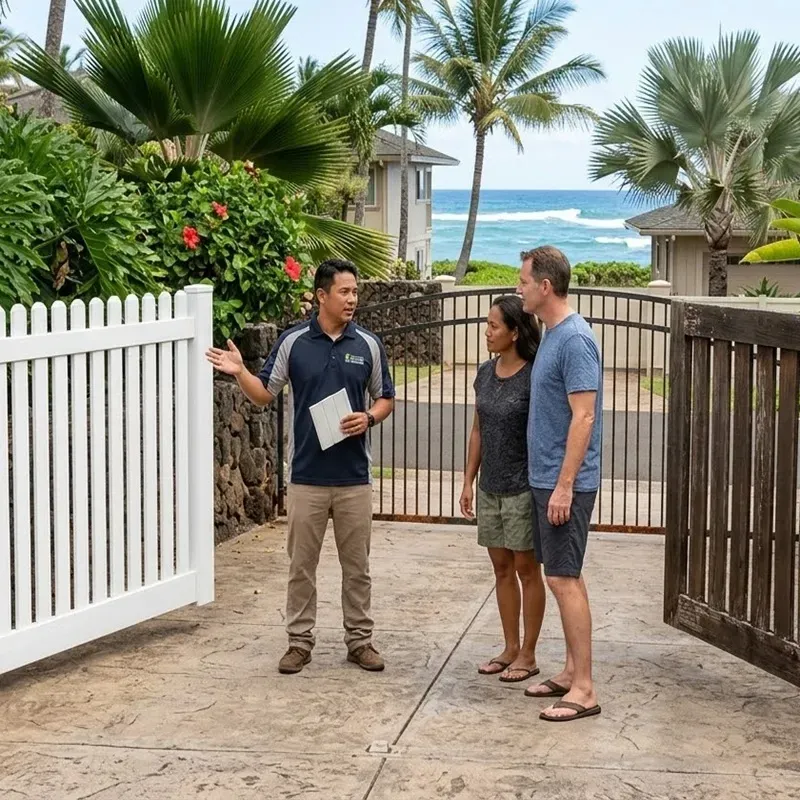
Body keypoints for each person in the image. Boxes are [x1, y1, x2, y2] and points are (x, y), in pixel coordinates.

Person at [206, 259, 395, 675]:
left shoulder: (368, 345)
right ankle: (298, 642)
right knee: (300, 567)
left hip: (354, 479)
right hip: (306, 477)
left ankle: (360, 641)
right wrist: (240, 372)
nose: (352, 299)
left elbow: (385, 398)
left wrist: (369, 418)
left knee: (357, 568)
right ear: (321, 296)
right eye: (344, 292)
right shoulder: (293, 343)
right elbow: (263, 394)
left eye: (355, 292)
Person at [516, 245, 603, 723]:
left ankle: (585, 689)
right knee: (561, 575)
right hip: (546, 479)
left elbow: (584, 416)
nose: (519, 288)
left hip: (562, 482)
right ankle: (571, 671)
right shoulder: (552, 334)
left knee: (564, 578)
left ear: (545, 286)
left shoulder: (573, 340)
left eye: (524, 281)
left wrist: (565, 486)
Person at [459, 296, 546, 684]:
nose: (487, 332)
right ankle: (509, 647)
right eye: (487, 324)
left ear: (515, 332)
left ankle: (528, 653)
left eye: (494, 326)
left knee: (528, 570)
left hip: (523, 488)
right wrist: (468, 481)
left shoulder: (535, 374)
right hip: (490, 487)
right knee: (501, 569)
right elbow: (478, 429)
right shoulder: (484, 372)